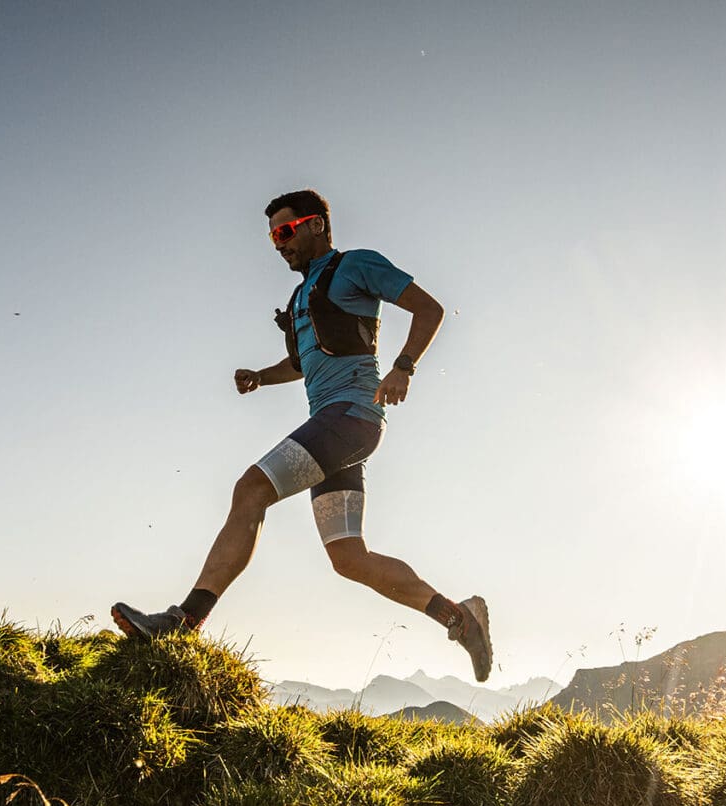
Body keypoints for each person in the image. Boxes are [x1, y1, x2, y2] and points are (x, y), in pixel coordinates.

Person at [112, 189, 492, 682]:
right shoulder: (299, 296)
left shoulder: (356, 265)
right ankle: (459, 619)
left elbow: (429, 309)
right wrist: (260, 377)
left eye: (286, 231)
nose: (278, 243)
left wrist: (403, 367)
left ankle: (183, 622)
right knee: (349, 558)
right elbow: (302, 362)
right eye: (272, 236)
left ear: (317, 225)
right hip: (341, 431)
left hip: (350, 417)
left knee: (251, 489)